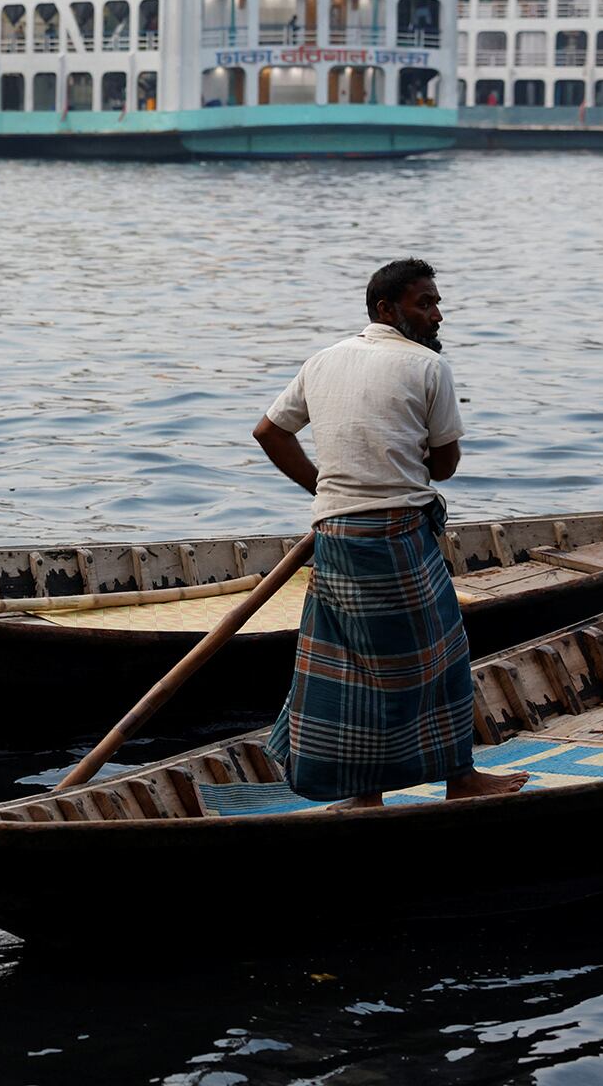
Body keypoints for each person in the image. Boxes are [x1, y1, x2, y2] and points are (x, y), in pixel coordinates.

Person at [253, 258, 528, 810]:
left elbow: (268, 432)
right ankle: (460, 778)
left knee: (351, 666)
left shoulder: (323, 359)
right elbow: (445, 467)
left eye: (437, 302)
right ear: (386, 309)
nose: (436, 315)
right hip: (396, 532)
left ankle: (363, 795)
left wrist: (325, 490)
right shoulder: (428, 367)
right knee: (440, 656)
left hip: (335, 533)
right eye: (424, 303)